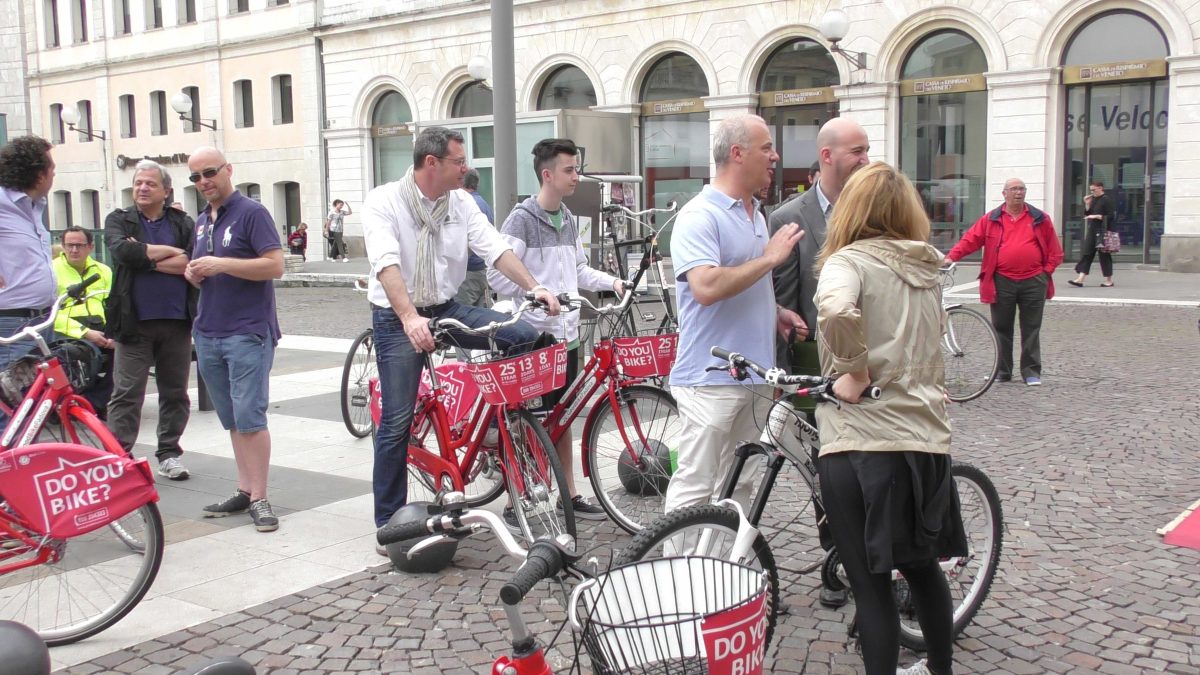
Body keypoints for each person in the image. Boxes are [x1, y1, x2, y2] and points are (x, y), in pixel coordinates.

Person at [361, 126, 561, 551]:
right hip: (400, 315)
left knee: (524, 334)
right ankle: (389, 525)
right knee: (397, 420)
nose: (465, 168)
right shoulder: (384, 201)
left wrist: (533, 287)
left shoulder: (462, 202)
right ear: (431, 163)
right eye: (459, 161)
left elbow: (495, 249)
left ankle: (495, 427)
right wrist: (410, 318)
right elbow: (385, 263)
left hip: (447, 307)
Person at [813, 161, 967, 675]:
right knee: (924, 570)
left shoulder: (848, 262)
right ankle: (939, 668)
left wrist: (852, 373)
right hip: (923, 443)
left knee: (871, 589)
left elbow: (836, 312)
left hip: (859, 443)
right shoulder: (926, 269)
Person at [665, 114, 805, 519]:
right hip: (710, 379)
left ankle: (728, 570)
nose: (775, 156)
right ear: (737, 153)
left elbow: (746, 279)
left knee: (741, 480)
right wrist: (770, 259)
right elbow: (706, 287)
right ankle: (680, 578)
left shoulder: (755, 213)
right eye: (766, 147)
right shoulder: (700, 216)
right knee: (696, 483)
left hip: (754, 376)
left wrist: (774, 310)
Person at [489, 138, 624, 525]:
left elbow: (579, 270)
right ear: (547, 174)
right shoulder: (521, 219)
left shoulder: (565, 217)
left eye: (577, 168)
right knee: (528, 419)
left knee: (562, 416)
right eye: (569, 169)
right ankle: (518, 499)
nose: (576, 176)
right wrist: (533, 292)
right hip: (533, 336)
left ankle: (570, 492)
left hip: (568, 336)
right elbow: (497, 273)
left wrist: (612, 282)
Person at [769, 116, 871, 609]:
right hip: (816, 363)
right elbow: (785, 302)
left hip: (870, 360)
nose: (866, 159)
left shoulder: (874, 209)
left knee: (872, 463)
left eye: (867, 150)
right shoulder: (790, 216)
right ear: (827, 156)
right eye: (857, 150)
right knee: (827, 469)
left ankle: (875, 559)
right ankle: (838, 559)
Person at [185, 146, 285, 532]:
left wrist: (221, 264)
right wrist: (194, 273)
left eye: (209, 172)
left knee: (250, 417)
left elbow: (275, 265)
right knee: (232, 418)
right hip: (209, 330)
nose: (203, 182)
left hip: (246, 331)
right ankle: (245, 489)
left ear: (228, 169)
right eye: (195, 177)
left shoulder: (252, 213)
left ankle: (260, 496)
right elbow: (204, 267)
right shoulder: (202, 220)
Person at [104, 159, 197, 480]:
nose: (142, 188)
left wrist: (145, 256)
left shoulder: (183, 223)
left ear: (166, 191)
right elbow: (123, 254)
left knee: (175, 392)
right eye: (138, 183)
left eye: (150, 184)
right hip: (133, 322)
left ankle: (169, 453)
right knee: (127, 393)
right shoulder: (120, 220)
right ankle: (118, 456)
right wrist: (170, 254)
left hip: (177, 321)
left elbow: (191, 262)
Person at [946, 178, 1063, 386]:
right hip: (1002, 280)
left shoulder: (1039, 218)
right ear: (1004, 193)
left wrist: (1045, 273)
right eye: (1014, 189)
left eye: (1022, 189)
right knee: (1001, 327)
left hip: (1033, 280)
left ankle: (1031, 372)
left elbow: (1055, 251)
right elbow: (970, 240)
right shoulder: (992, 218)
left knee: (1031, 328)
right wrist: (951, 257)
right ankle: (1002, 371)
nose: (1019, 192)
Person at [0, 136, 56, 376]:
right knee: (11, 400)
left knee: (37, 401)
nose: (55, 173)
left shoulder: (34, 206)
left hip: (43, 319)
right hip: (12, 321)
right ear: (39, 175)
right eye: (52, 168)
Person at [52, 226, 114, 417]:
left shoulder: (103, 270)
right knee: (86, 353)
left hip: (100, 325)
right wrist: (85, 332)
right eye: (69, 245)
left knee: (132, 354)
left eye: (79, 245)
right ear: (62, 246)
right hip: (69, 329)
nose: (74, 250)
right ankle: (85, 406)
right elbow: (48, 314)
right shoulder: (51, 270)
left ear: (90, 246)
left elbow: (111, 304)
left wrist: (114, 334)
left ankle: (92, 402)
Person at [1069, 180, 1115, 288]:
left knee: (1104, 254)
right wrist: (1087, 204)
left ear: (1100, 188)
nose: (1092, 192)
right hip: (1093, 229)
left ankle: (1108, 280)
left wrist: (1096, 216)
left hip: (1103, 230)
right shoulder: (1093, 199)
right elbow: (1088, 213)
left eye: (1094, 189)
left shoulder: (1106, 200)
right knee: (1087, 253)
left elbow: (1111, 216)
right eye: (1091, 190)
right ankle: (1080, 279)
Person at [458, 169, 493, 308]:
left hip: (469, 273)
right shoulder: (484, 203)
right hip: (482, 270)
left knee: (460, 320)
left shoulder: (468, 204)